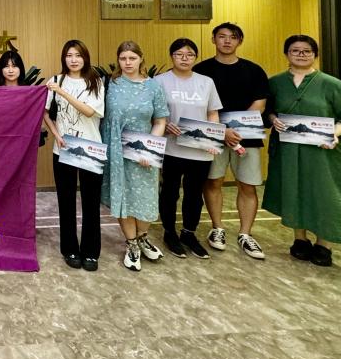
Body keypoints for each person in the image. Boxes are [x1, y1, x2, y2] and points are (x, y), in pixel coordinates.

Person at [263, 35, 341, 267]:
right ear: (286, 54)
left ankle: (324, 244)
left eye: (306, 51)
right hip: (289, 151)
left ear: (315, 55)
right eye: (295, 50)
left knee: (324, 195)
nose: (301, 55)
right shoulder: (276, 83)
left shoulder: (332, 84)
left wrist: (334, 133)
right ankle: (300, 239)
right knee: (294, 190)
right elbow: (268, 111)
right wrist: (272, 118)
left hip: (323, 153)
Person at [194, 23, 270, 259]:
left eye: (233, 37)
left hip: (246, 137)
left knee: (247, 185)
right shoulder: (201, 70)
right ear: (213, 39)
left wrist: (236, 130)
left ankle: (245, 234)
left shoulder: (254, 70)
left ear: (240, 41)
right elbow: (197, 105)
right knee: (213, 182)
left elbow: (260, 104)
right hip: (213, 137)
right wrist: (222, 131)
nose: (227, 41)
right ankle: (217, 228)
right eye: (222, 36)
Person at [101, 41, 169, 272]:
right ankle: (131, 243)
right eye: (123, 58)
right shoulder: (110, 84)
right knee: (123, 196)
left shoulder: (153, 87)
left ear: (141, 59)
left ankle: (143, 237)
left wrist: (149, 149)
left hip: (143, 153)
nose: (128, 63)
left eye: (132, 58)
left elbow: (160, 121)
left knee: (146, 197)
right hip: (116, 151)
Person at [155, 38, 222, 260]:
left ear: (195, 57)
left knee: (194, 194)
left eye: (190, 55)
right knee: (170, 192)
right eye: (179, 54)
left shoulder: (206, 82)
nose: (184, 58)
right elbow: (154, 112)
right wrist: (165, 125)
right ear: (171, 56)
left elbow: (212, 113)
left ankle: (189, 233)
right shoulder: (160, 81)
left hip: (200, 149)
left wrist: (212, 138)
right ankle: (169, 232)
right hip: (171, 148)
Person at [43, 41, 105, 271]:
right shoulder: (56, 80)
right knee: (66, 201)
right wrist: (56, 134)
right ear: (64, 58)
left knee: (91, 203)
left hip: (90, 149)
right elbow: (45, 112)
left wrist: (61, 92)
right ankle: (69, 249)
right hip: (63, 149)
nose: (73, 59)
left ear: (85, 57)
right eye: (69, 55)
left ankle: (91, 252)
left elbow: (89, 111)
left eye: (78, 55)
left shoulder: (95, 81)